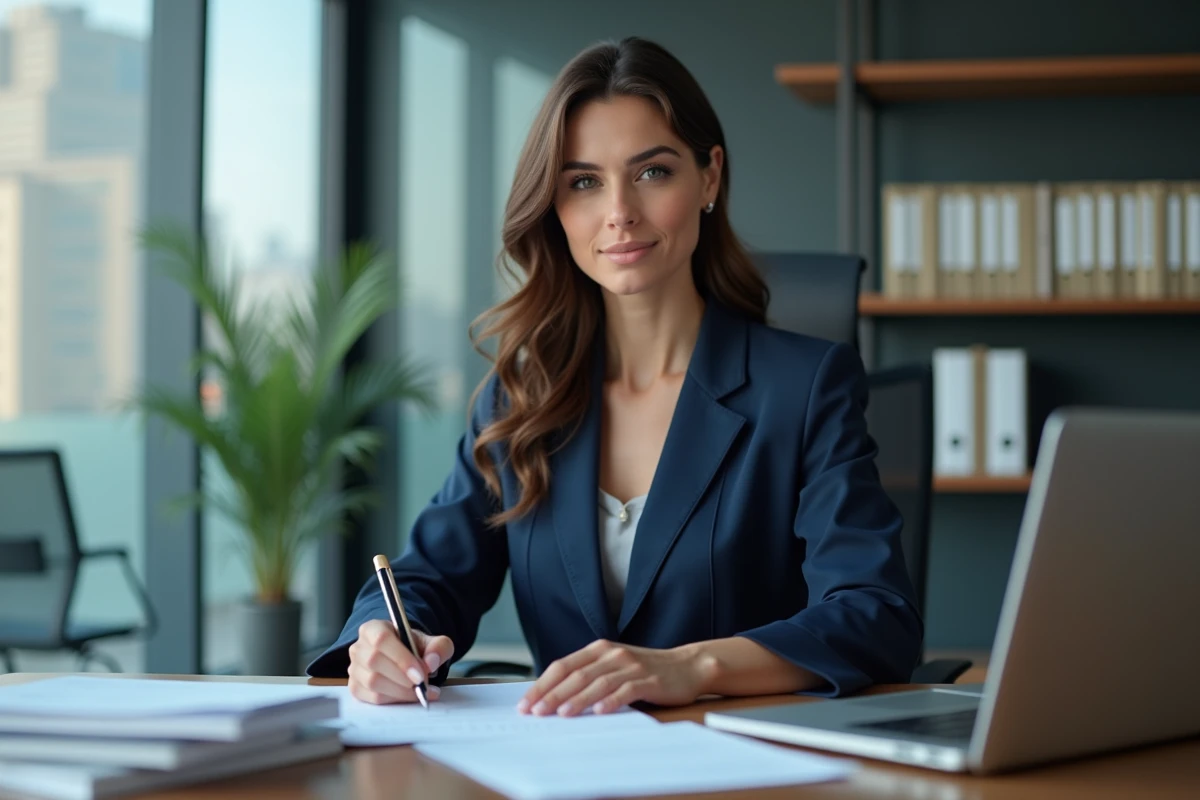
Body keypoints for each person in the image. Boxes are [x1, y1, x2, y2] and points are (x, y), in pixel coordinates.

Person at [308, 36, 922, 715]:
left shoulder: (805, 388)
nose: (619, 211)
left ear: (709, 177)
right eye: (583, 182)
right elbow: (426, 575)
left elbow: (875, 612)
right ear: (555, 206)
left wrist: (691, 666)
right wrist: (386, 639)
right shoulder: (524, 397)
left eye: (653, 172)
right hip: (563, 771)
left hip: (744, 769)